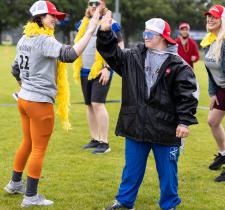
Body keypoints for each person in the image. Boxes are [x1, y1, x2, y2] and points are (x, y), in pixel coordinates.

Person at [97, 11, 198, 210]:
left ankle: (169, 205)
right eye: (145, 32)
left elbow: (187, 96)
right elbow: (111, 54)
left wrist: (184, 121)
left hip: (166, 128)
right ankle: (125, 202)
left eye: (150, 34)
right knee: (131, 170)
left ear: (162, 37)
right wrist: (105, 32)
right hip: (137, 125)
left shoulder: (178, 65)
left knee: (168, 172)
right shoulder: (134, 56)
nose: (145, 36)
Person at [4, 0, 100, 207]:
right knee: (38, 148)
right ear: (39, 17)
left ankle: (15, 184)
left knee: (27, 143)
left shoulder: (24, 38)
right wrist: (91, 30)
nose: (55, 19)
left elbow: (15, 69)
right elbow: (70, 55)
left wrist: (24, 85)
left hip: (24, 100)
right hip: (39, 103)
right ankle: (30, 197)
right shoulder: (43, 40)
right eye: (51, 16)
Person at [73, 0, 124, 154]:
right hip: (84, 70)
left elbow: (120, 45)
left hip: (103, 69)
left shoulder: (111, 22)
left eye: (97, 3)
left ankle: (104, 142)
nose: (93, 6)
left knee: (97, 103)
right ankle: (95, 139)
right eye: (91, 3)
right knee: (89, 104)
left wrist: (109, 67)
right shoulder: (82, 23)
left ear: (103, 6)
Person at [200, 4, 225, 182]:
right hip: (221, 89)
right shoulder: (209, 41)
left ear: (222, 20)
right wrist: (212, 92)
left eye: (214, 16)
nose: (210, 19)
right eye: (208, 16)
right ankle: (223, 153)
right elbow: (210, 71)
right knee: (212, 121)